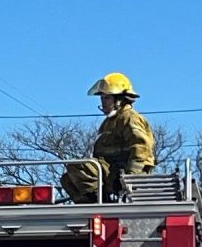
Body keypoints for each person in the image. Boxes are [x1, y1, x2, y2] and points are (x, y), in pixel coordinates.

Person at [64, 72, 156, 204]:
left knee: (80, 166)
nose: (103, 102)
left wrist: (130, 178)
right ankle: (92, 205)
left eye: (106, 98)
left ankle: (103, 201)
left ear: (120, 99)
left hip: (120, 173)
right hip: (108, 172)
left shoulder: (129, 118)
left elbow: (141, 149)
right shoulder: (109, 121)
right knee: (68, 179)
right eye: (102, 98)